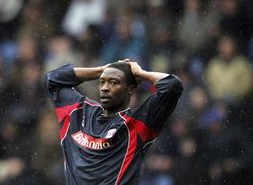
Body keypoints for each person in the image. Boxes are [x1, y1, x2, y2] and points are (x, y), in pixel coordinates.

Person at [44, 59, 183, 184]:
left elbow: (172, 85)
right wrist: (100, 70)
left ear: (130, 89)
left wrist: (140, 74)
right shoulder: (78, 112)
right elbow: (52, 80)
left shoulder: (136, 124)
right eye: (102, 82)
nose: (105, 87)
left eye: (113, 82)